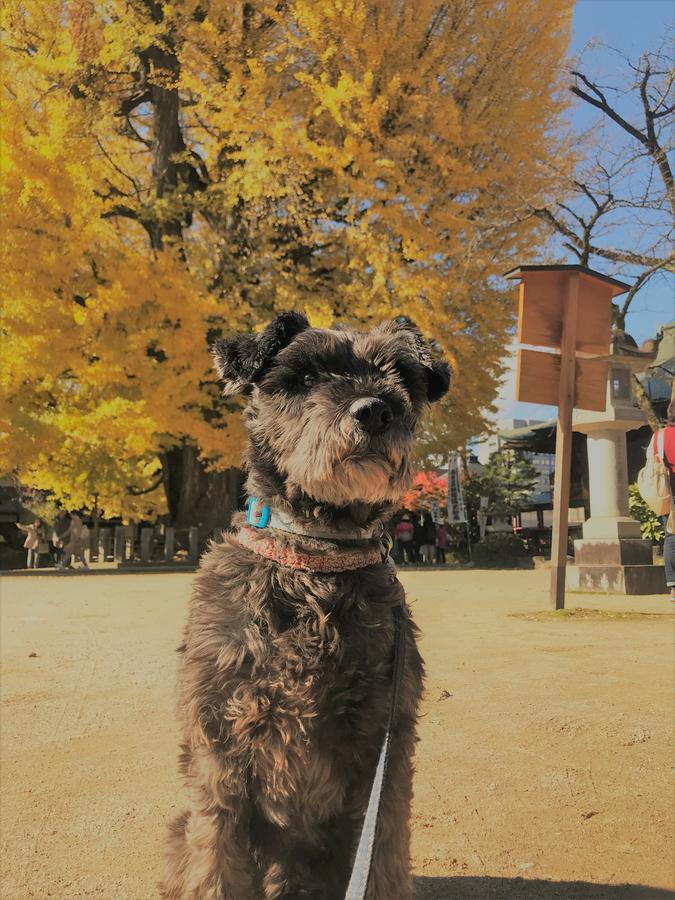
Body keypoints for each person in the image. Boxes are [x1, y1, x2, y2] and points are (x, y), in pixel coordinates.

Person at [650, 399, 675, 600]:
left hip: (667, 493)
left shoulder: (658, 437)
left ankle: (673, 586)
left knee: (671, 539)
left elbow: (652, 466)